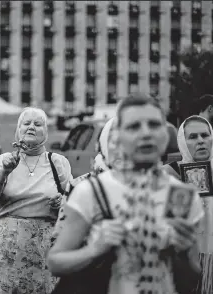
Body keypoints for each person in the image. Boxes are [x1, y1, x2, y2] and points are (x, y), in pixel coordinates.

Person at [48, 93, 204, 294]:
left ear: (166, 135)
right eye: (134, 127)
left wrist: (183, 253)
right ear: (118, 137)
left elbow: (191, 280)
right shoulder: (92, 191)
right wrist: (94, 249)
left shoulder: (181, 196)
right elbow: (55, 263)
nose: (146, 133)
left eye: (155, 125)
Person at [0, 107, 72, 294]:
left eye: (38, 124)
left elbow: (73, 203)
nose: (31, 127)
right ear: (18, 130)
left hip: (45, 248)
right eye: (26, 123)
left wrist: (62, 202)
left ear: (46, 132)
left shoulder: (57, 162)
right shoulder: (4, 161)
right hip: (8, 248)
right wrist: (4, 173)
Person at [163, 115, 213, 294]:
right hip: (185, 268)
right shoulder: (168, 175)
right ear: (182, 141)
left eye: (205, 135)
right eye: (193, 137)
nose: (201, 141)